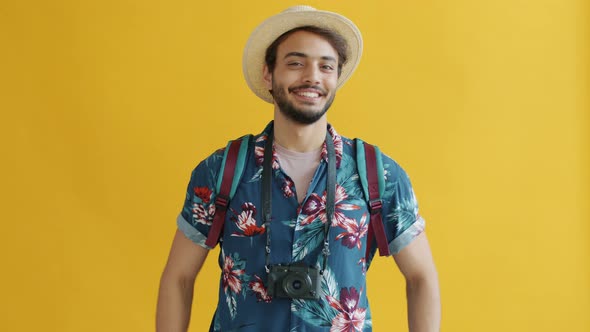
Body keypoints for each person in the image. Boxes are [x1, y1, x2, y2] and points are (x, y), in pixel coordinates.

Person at [157, 5, 440, 332]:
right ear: (268, 73)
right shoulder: (222, 170)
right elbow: (178, 277)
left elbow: (422, 277)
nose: (312, 76)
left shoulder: (378, 174)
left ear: (336, 77)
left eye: (326, 66)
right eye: (295, 63)